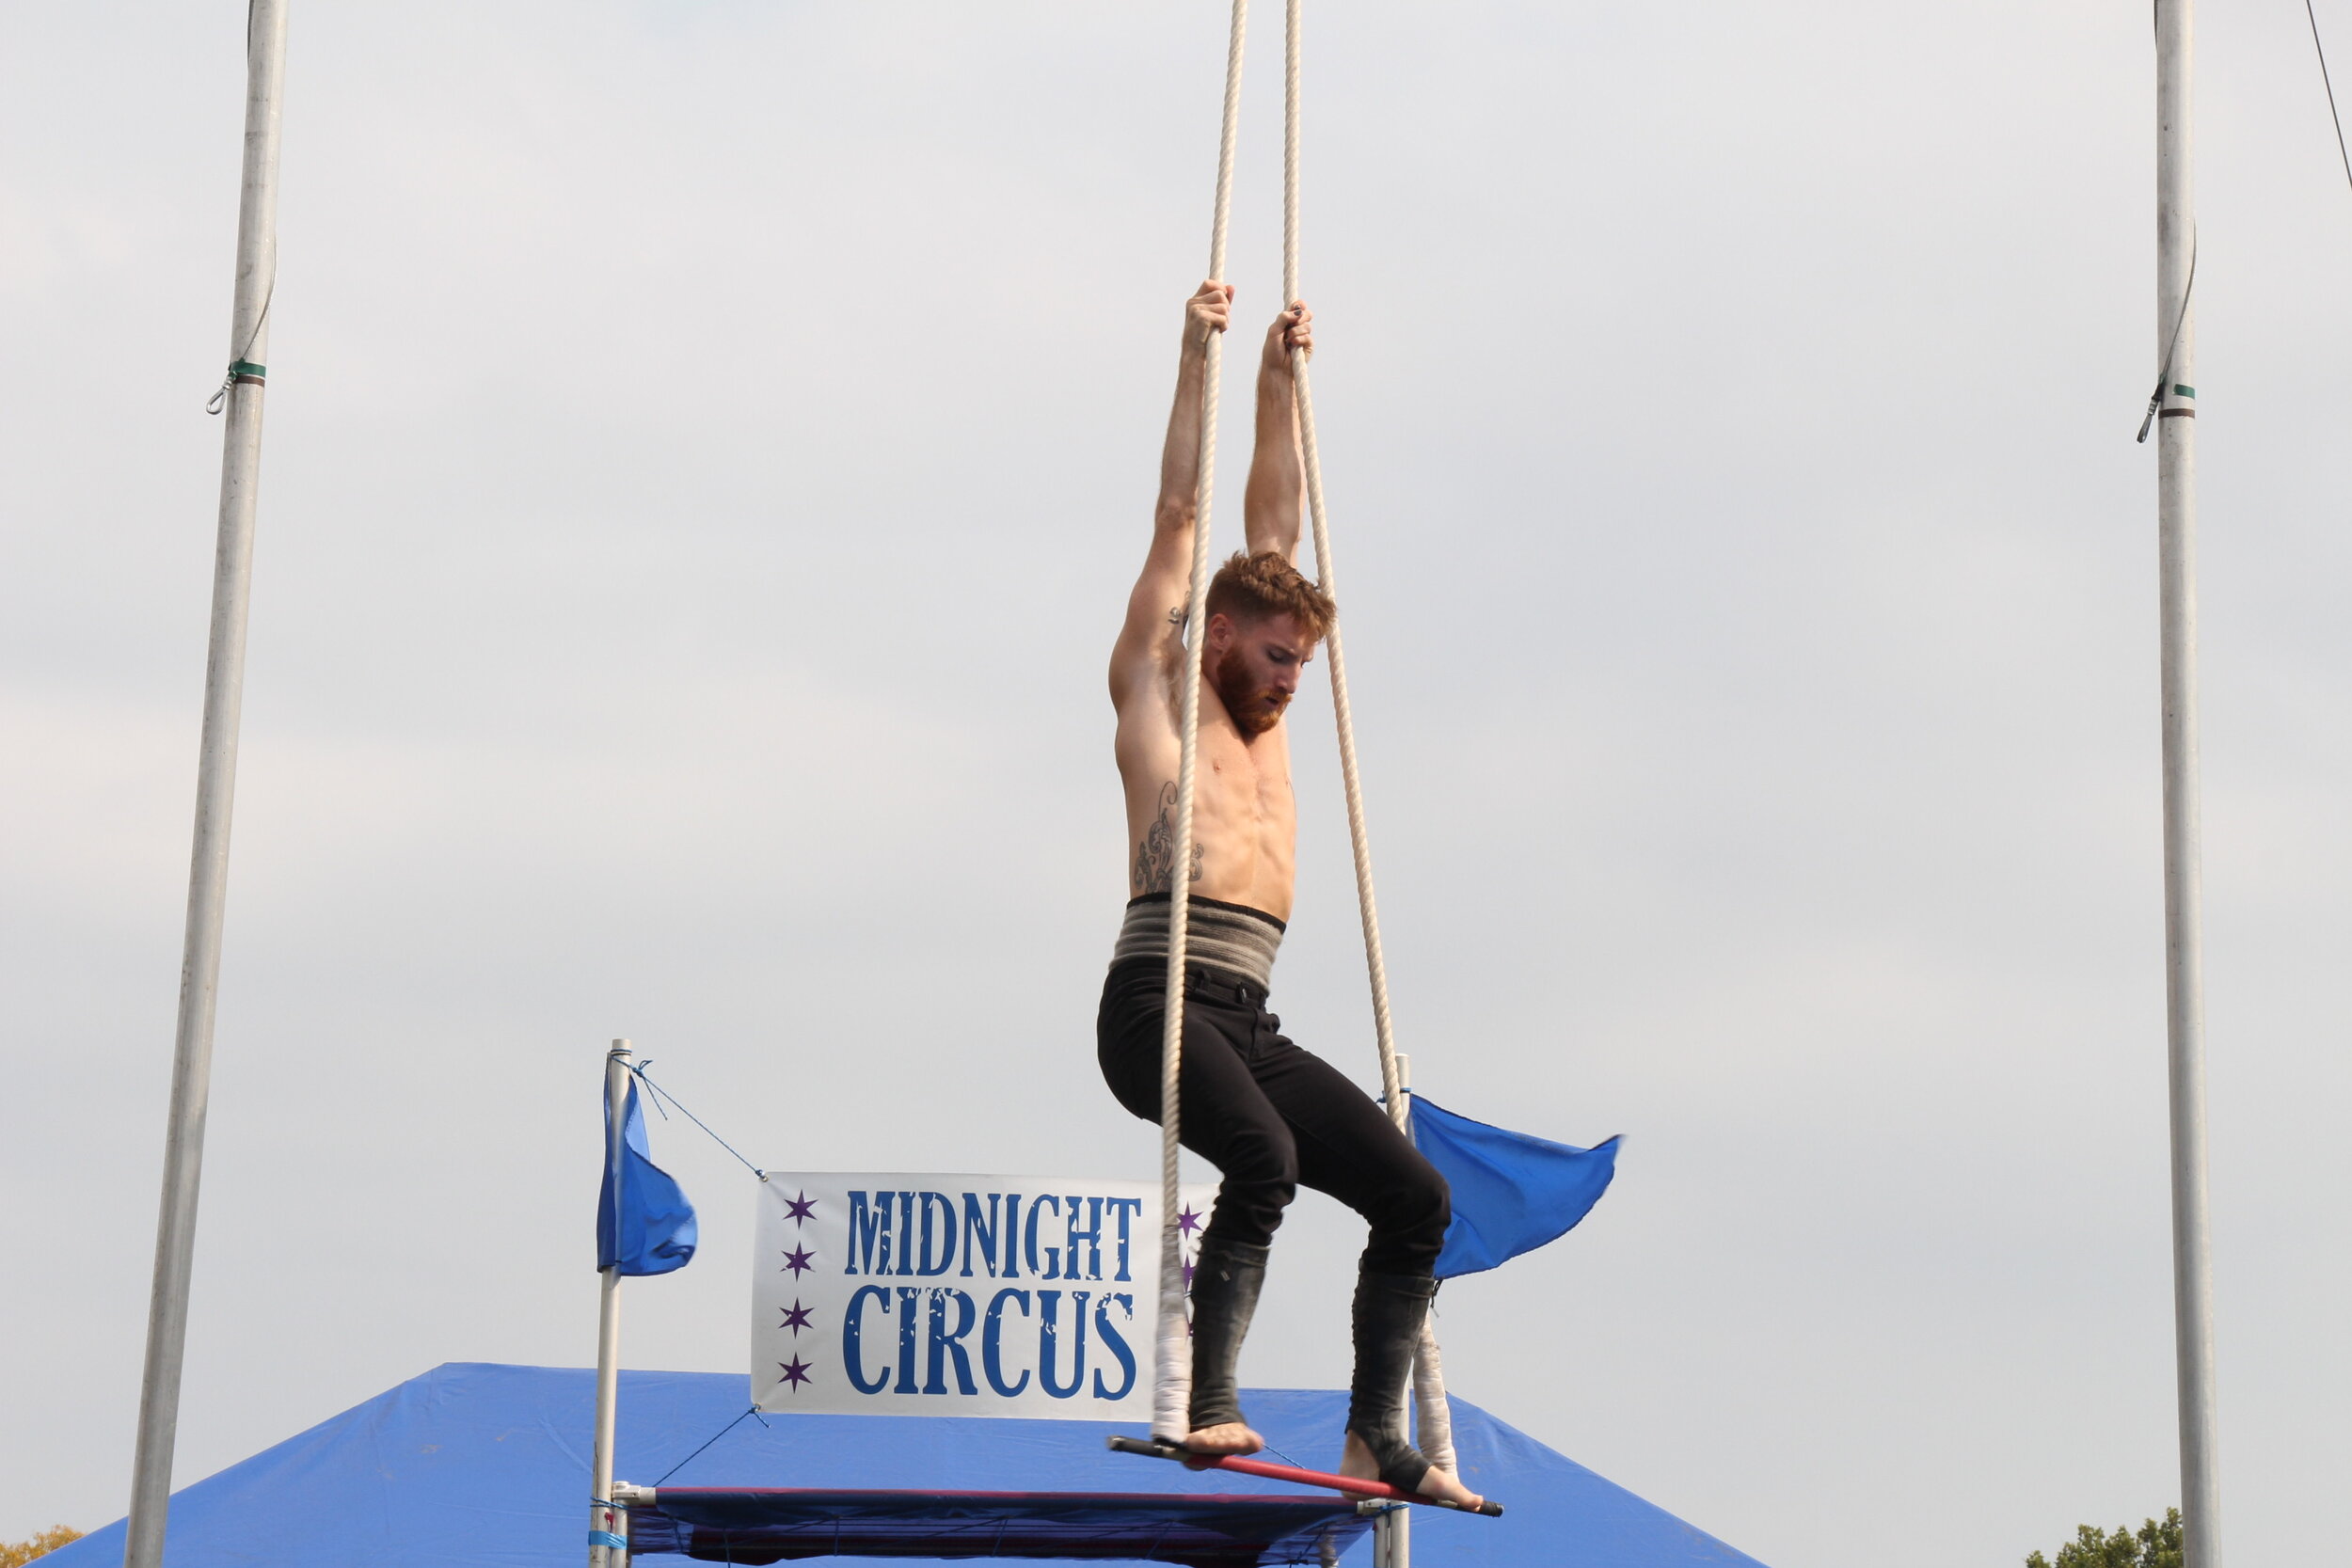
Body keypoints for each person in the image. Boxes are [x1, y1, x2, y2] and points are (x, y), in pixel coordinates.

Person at [1096, 282, 1483, 1510]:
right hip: (1154, 1005)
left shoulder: (1266, 721)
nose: (1291, 684)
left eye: (1304, 664)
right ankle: (1210, 1401)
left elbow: (1273, 527)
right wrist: (1197, 358)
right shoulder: (1166, 702)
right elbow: (1181, 519)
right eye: (1276, 657)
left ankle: (1377, 1435)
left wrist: (1280, 378)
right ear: (1214, 639)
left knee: (1417, 1197)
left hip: (1245, 1016)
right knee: (1260, 1160)